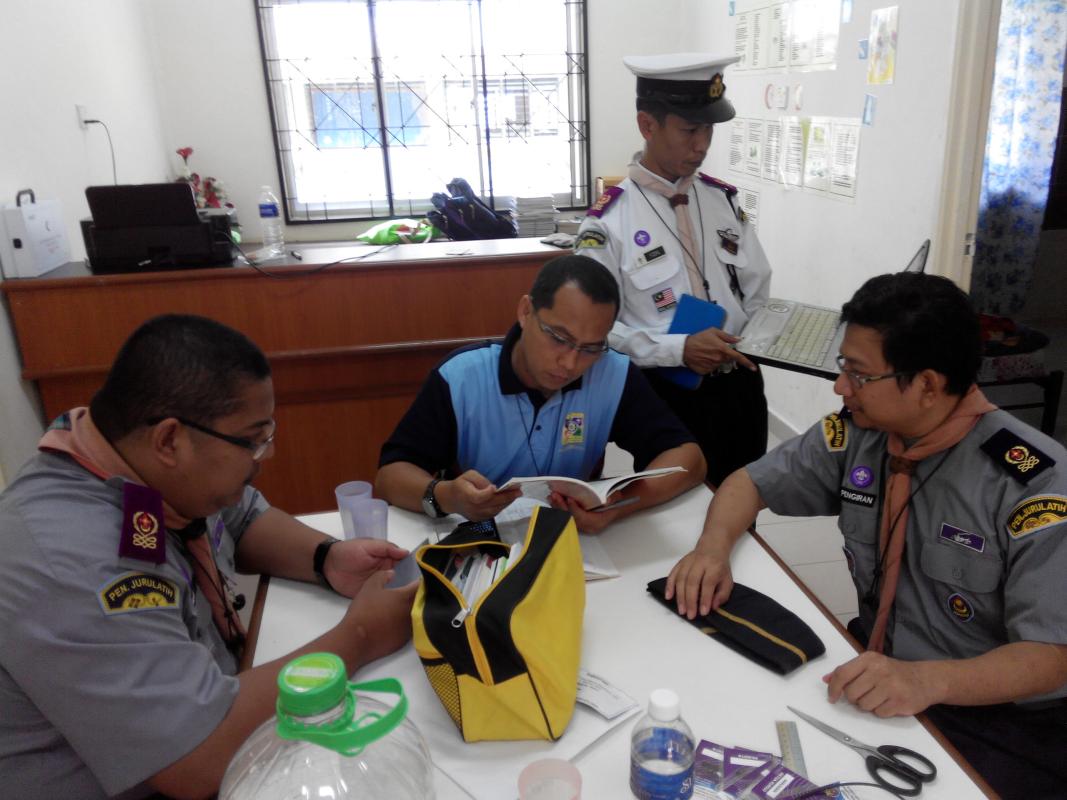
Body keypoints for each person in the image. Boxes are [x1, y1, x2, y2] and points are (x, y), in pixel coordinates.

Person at [666, 272, 1067, 799]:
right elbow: (748, 482)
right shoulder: (860, 433)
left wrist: (929, 681)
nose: (840, 388)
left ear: (926, 384)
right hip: (878, 668)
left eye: (858, 374)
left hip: (995, 712)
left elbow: (1051, 654)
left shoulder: (1035, 484)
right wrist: (711, 551)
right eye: (841, 367)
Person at [0, 315, 417, 800]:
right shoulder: (71, 559)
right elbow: (196, 759)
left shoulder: (129, 457)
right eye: (252, 440)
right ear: (169, 440)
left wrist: (325, 557)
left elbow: (240, 517)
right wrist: (361, 636)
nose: (265, 455)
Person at [376, 253, 706, 534]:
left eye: (591, 347)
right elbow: (390, 477)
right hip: (478, 540)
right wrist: (449, 496)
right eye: (559, 338)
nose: (570, 362)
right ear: (525, 312)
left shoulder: (612, 374)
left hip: (572, 541)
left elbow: (689, 459)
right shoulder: (460, 377)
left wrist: (618, 506)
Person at [575, 53, 773, 487]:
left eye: (708, 130)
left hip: (739, 386)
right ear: (648, 125)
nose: (702, 144)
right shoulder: (607, 223)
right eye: (689, 130)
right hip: (666, 393)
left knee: (742, 508)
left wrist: (769, 335)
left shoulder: (723, 201)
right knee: (679, 517)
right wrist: (678, 349)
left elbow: (757, 289)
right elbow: (594, 329)